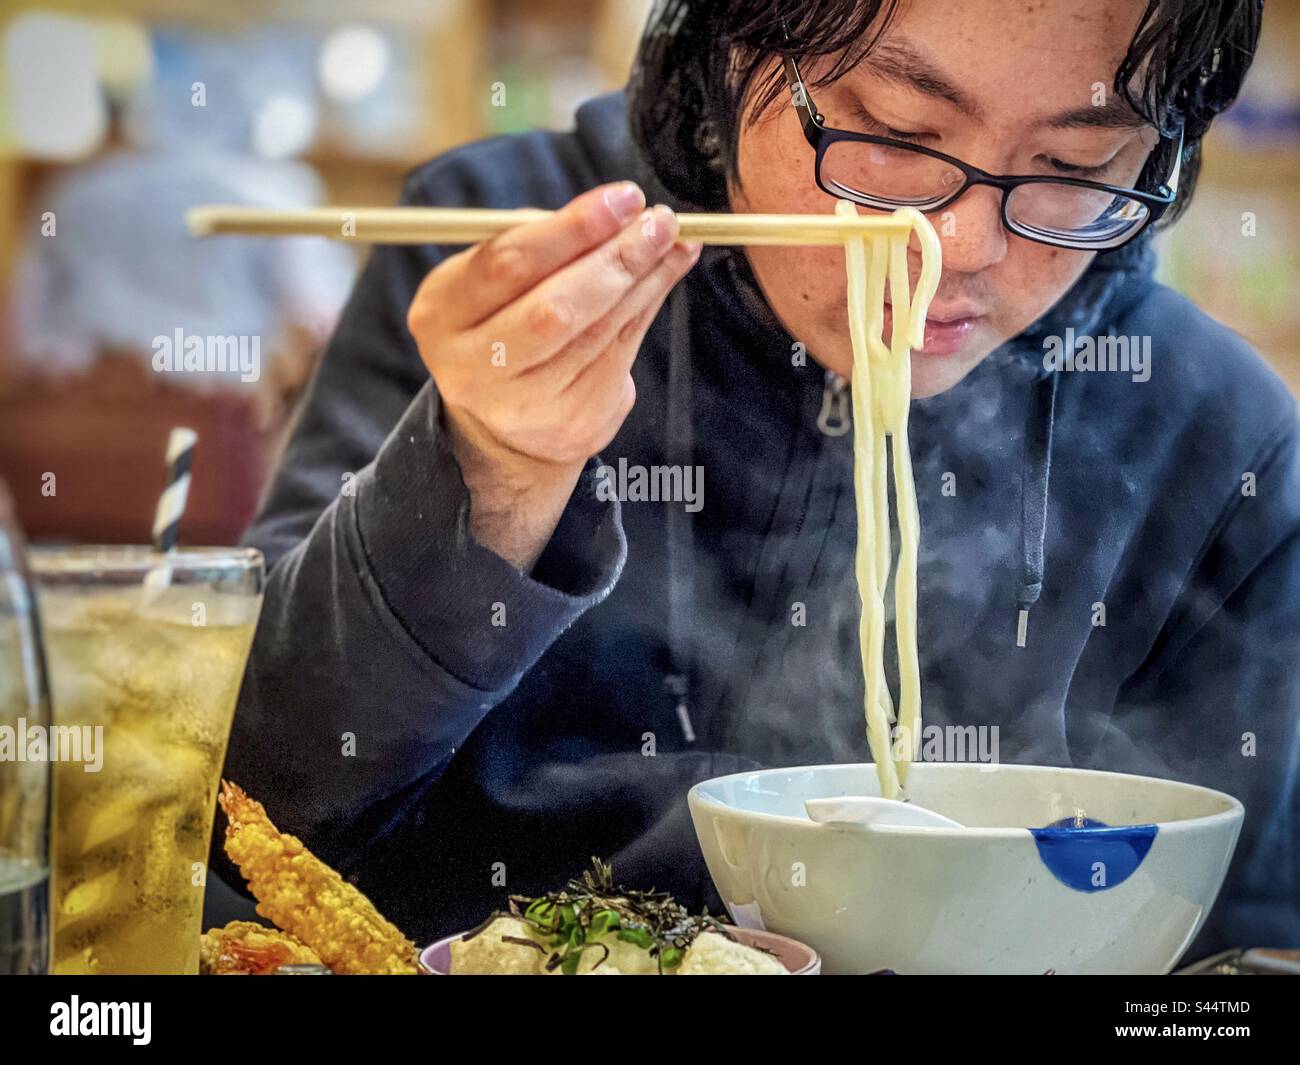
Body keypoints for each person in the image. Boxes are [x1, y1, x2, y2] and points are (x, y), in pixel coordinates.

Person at [215, 0, 1298, 959]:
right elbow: (247, 800)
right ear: (733, 51)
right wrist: (491, 473)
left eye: (1072, 168)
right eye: (897, 134)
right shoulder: (506, 261)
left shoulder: (1220, 437)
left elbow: (1251, 945)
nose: (961, 248)